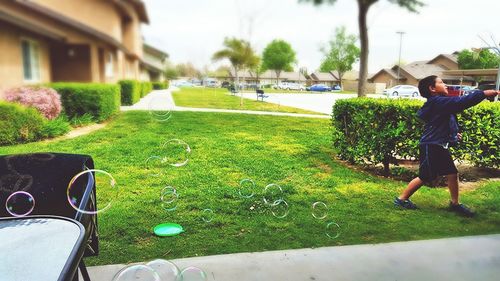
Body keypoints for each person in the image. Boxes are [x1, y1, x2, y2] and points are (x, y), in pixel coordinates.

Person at [394, 75, 499, 217]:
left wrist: (454, 135)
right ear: (432, 89)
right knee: (425, 176)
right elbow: (462, 102)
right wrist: (483, 93)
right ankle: (401, 199)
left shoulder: (440, 104)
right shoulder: (437, 102)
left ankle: (455, 204)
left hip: (439, 145)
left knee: (452, 173)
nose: (446, 85)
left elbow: (444, 123)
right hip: (431, 146)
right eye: (441, 82)